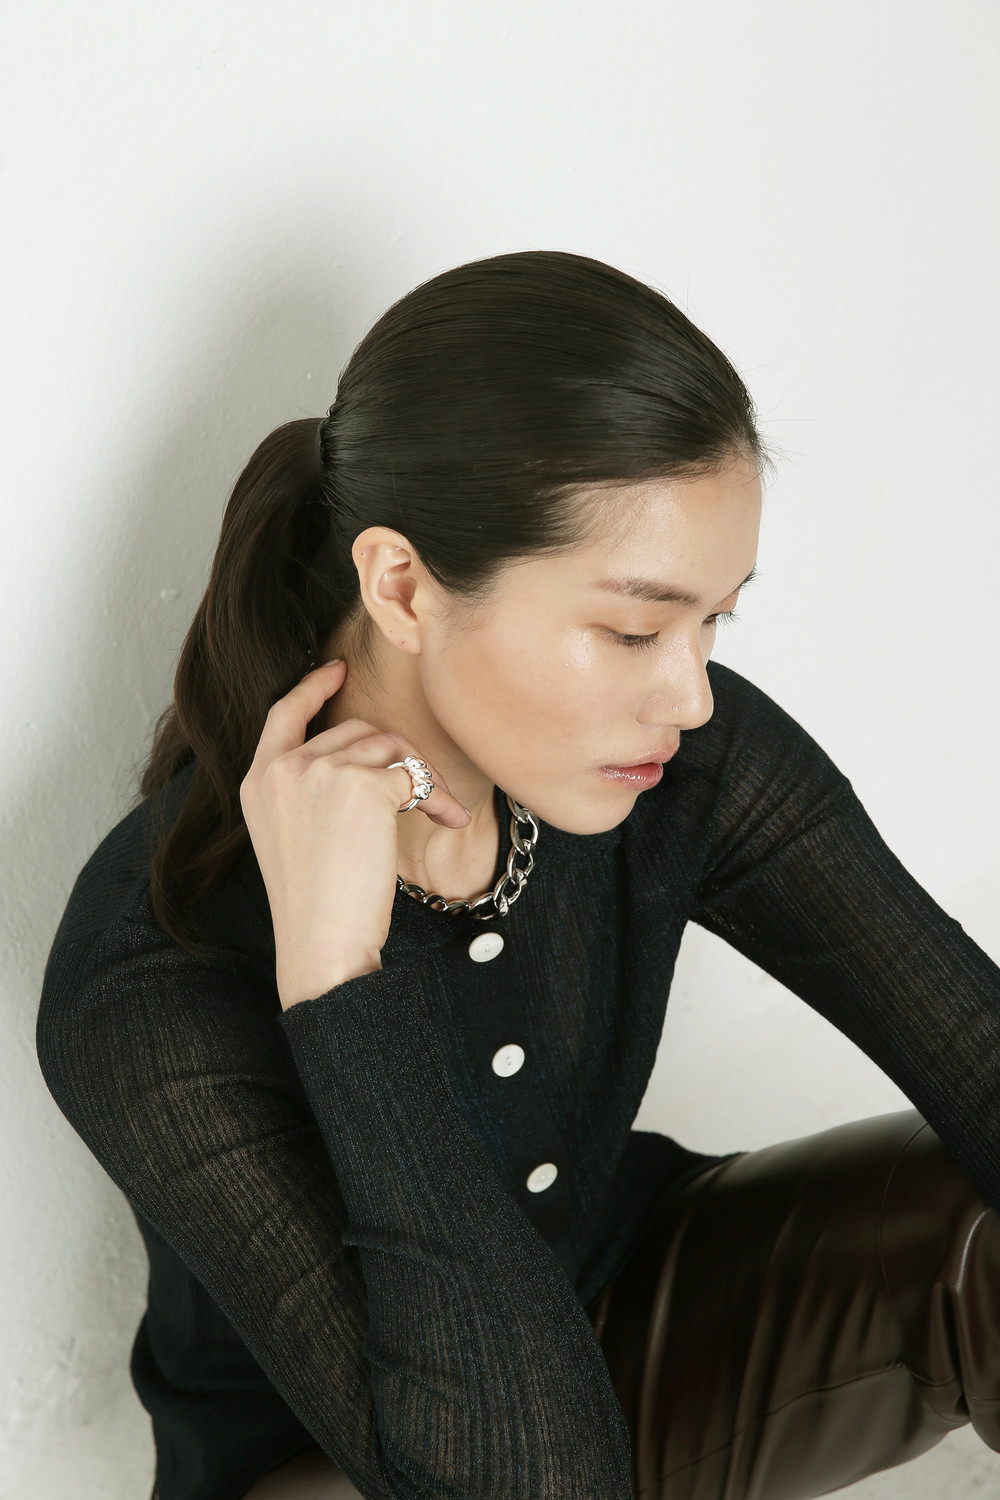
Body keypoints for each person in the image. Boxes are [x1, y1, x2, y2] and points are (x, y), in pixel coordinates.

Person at [35, 250, 1000, 1500]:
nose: (691, 695)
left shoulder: (668, 757)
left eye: (714, 621)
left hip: (625, 1316)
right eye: (633, 630)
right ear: (401, 587)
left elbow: (975, 1052)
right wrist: (336, 980)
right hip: (365, 1463)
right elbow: (524, 1482)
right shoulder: (149, 978)